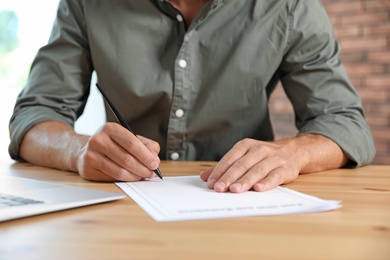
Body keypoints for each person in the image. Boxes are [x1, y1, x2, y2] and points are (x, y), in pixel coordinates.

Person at [9, 0, 375, 193]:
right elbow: (33, 116)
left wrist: (293, 152)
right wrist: (78, 150)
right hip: (119, 212)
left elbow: (346, 123)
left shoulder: (289, 6)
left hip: (244, 204)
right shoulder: (87, 3)